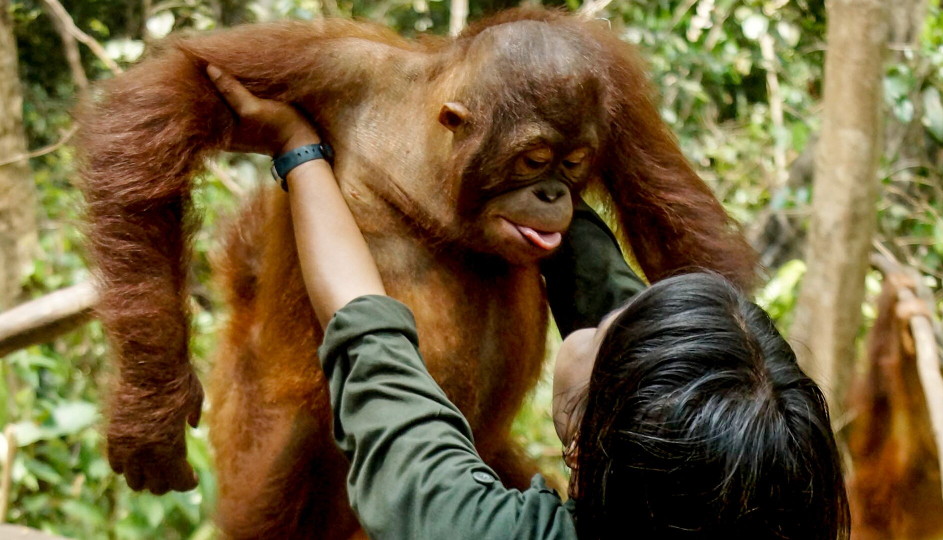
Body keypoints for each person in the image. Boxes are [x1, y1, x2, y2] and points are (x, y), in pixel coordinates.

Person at [206, 65, 850, 539]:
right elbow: (634, 324)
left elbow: (365, 331)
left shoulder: (475, 528)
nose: (607, 312)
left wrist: (298, 149)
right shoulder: (770, 501)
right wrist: (539, 169)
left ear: (583, 453)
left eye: (607, 335)